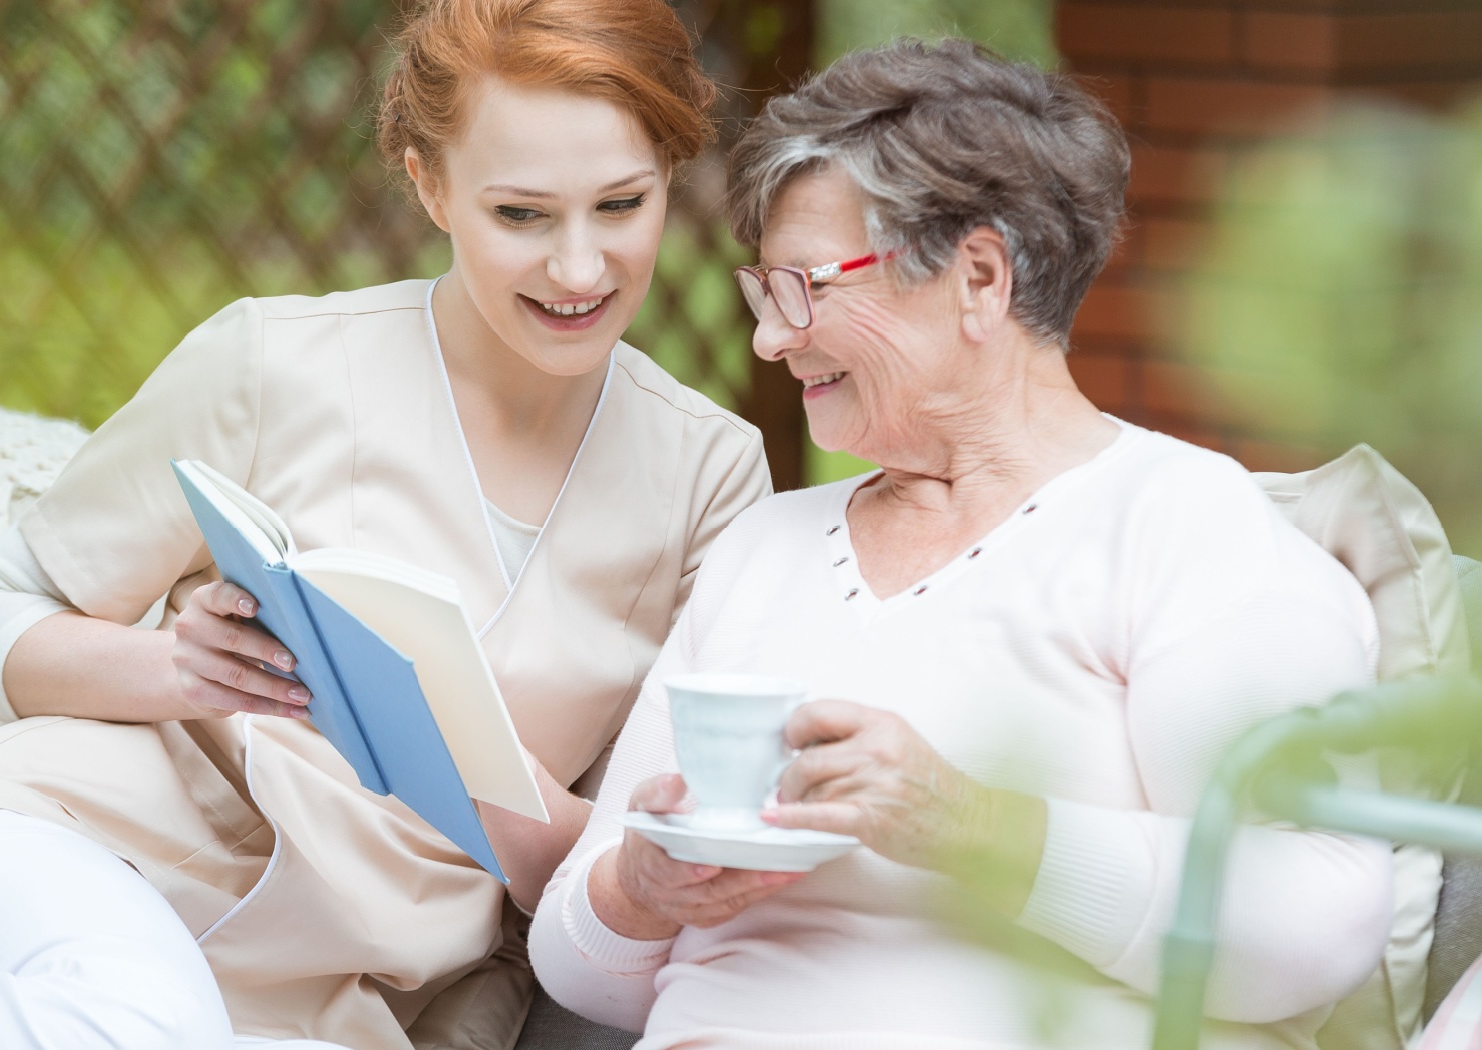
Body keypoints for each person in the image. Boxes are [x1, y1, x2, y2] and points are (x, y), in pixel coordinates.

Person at [0, 1, 770, 1047]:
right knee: (133, 1016)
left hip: (335, 997)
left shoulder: (710, 476)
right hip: (66, 852)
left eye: (620, 205)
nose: (579, 270)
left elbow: (640, 868)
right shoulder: (272, 363)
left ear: (673, 176)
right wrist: (177, 671)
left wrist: (483, 779)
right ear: (428, 184)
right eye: (521, 215)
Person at [529, 39, 1393, 1050]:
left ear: (978, 277)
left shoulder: (1179, 526)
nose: (771, 340)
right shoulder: (763, 547)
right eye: (765, 295)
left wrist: (976, 829)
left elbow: (1317, 925)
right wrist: (640, 890)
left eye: (804, 288)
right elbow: (578, 970)